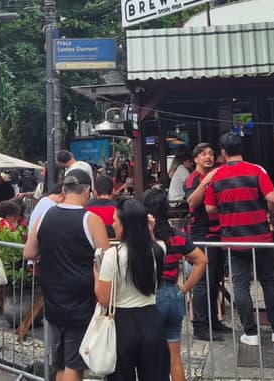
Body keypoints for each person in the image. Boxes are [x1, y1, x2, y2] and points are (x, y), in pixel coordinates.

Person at [22, 170, 110, 381]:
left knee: (60, 361)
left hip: (52, 295)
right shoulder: (91, 220)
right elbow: (106, 259)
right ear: (88, 190)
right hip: (81, 298)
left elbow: (28, 252)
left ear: (63, 189)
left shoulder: (44, 216)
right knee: (74, 363)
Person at [204, 132, 274, 345]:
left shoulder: (216, 176)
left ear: (223, 152)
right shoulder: (257, 170)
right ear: (242, 149)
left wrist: (227, 210)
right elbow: (272, 198)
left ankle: (251, 334)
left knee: (240, 285)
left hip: (233, 239)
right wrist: (270, 215)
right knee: (269, 281)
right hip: (260, 237)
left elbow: (210, 208)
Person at [95, 199, 169, 380]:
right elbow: (151, 243)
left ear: (125, 226)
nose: (113, 225)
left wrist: (95, 270)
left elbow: (103, 298)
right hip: (151, 319)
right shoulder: (159, 250)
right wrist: (148, 228)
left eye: (115, 221)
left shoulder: (113, 256)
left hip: (123, 322)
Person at [142, 188, 207, 381]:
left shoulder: (144, 239)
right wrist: (185, 289)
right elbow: (201, 260)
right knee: (175, 359)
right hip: (173, 294)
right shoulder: (177, 235)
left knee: (149, 359)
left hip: (151, 297)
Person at [184, 142, 230, 340]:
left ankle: (214, 321)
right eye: (203, 154)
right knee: (202, 280)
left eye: (211, 153)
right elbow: (192, 203)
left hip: (219, 232)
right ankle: (200, 326)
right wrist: (206, 181)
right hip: (201, 233)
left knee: (215, 279)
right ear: (195, 159)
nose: (208, 157)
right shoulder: (193, 179)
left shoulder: (218, 174)